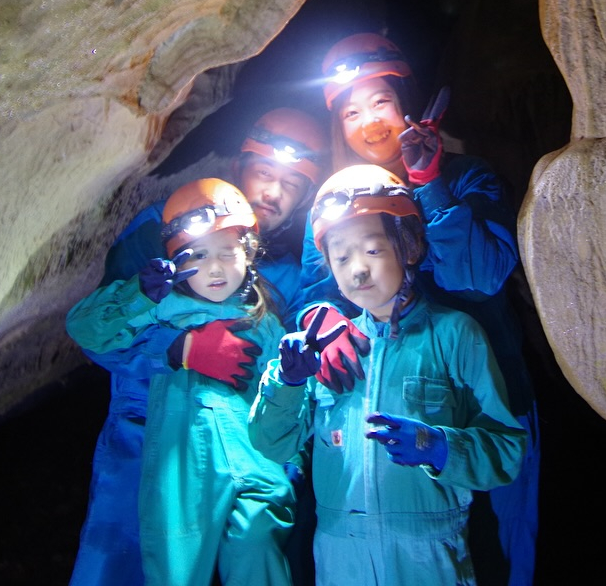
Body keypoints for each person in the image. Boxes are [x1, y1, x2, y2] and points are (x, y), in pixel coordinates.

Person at [300, 32, 540, 586]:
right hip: (388, 396)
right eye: (352, 111)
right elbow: (312, 292)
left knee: (501, 556)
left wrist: (430, 184)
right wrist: (321, 321)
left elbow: (481, 276)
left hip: (488, 396)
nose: (370, 121)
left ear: (407, 101)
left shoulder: (468, 176)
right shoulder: (333, 200)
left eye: (380, 101)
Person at [64, 108, 328, 586]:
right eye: (264, 172)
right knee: (121, 566)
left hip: (246, 448)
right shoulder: (163, 229)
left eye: (290, 184)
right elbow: (99, 335)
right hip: (145, 438)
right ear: (238, 166)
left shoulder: (289, 274)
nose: (272, 192)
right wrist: (176, 347)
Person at [248, 165, 526, 586]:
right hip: (340, 556)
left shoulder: (454, 335)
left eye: (373, 250)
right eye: (341, 257)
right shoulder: (321, 347)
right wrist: (285, 384)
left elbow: (506, 449)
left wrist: (440, 448)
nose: (357, 270)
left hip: (429, 555)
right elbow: (272, 442)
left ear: (410, 245)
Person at [132, 178, 293, 586]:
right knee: (176, 568)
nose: (216, 268)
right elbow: (90, 330)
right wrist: (169, 337)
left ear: (249, 253)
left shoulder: (265, 322)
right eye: (199, 255)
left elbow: (289, 399)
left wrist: (292, 462)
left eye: (228, 252)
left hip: (257, 460)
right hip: (183, 465)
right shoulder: (163, 312)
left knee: (257, 549)